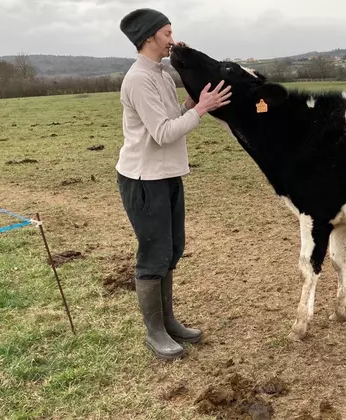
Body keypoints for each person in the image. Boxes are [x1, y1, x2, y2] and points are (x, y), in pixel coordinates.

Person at [117, 8, 231, 360]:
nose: (172, 39)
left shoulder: (162, 74)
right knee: (154, 253)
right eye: (167, 33)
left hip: (167, 175)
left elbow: (171, 115)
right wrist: (202, 110)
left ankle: (167, 321)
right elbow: (164, 133)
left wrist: (194, 101)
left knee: (173, 247)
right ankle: (154, 332)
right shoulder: (138, 79)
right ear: (149, 37)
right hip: (143, 179)